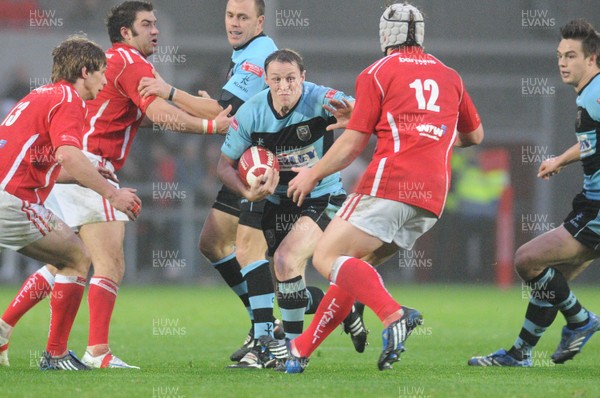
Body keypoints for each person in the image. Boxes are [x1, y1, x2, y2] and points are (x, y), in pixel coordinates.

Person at [0, 0, 231, 370]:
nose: (155, 30)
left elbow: (155, 110)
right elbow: (157, 113)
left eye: (156, 24)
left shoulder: (107, 68)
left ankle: (6, 326)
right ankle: (95, 351)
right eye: (147, 24)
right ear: (126, 32)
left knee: (68, 259)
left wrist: (206, 112)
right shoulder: (129, 61)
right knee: (107, 261)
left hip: (70, 170)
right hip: (89, 166)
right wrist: (208, 127)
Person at [265, 3, 484, 373]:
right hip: (431, 198)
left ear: (385, 35)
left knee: (324, 258)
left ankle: (393, 315)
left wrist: (312, 174)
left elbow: (352, 144)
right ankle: (300, 350)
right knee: (354, 269)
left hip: (390, 184)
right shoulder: (451, 76)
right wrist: (425, 132)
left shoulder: (377, 73)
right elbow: (474, 135)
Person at [139, 0, 357, 366]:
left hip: (264, 167)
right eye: (229, 15)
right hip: (254, 164)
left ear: (260, 21)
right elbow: (228, 113)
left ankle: (266, 334)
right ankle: (298, 315)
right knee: (219, 244)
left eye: (243, 17)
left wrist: (170, 92)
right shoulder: (243, 53)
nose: (234, 23)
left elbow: (223, 113)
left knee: (254, 253)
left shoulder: (260, 54)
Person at [218, 48, 368, 368]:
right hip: (272, 198)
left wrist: (353, 113)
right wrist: (247, 190)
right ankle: (340, 307)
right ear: (266, 81)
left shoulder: (319, 99)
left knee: (285, 261)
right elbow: (223, 166)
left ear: (303, 77)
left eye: (291, 79)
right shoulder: (251, 112)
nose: (284, 86)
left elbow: (360, 108)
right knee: (270, 269)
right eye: (276, 80)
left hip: (320, 196)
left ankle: (292, 351)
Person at [0, 35, 141, 370]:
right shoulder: (70, 100)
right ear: (84, 71)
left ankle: (6, 330)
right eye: (101, 73)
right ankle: (56, 354)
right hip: (11, 201)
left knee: (64, 256)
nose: (105, 81)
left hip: (9, 195)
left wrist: (91, 172)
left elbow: (43, 163)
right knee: (77, 256)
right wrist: (113, 193)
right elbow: (68, 155)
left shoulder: (39, 95)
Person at [468, 19, 600, 367]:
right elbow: (592, 142)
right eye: (560, 55)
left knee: (528, 260)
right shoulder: (588, 94)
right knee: (551, 281)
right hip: (590, 203)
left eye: (571, 56)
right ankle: (521, 353)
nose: (562, 62)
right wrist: (562, 159)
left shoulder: (598, 92)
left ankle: (582, 320)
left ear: (592, 59)